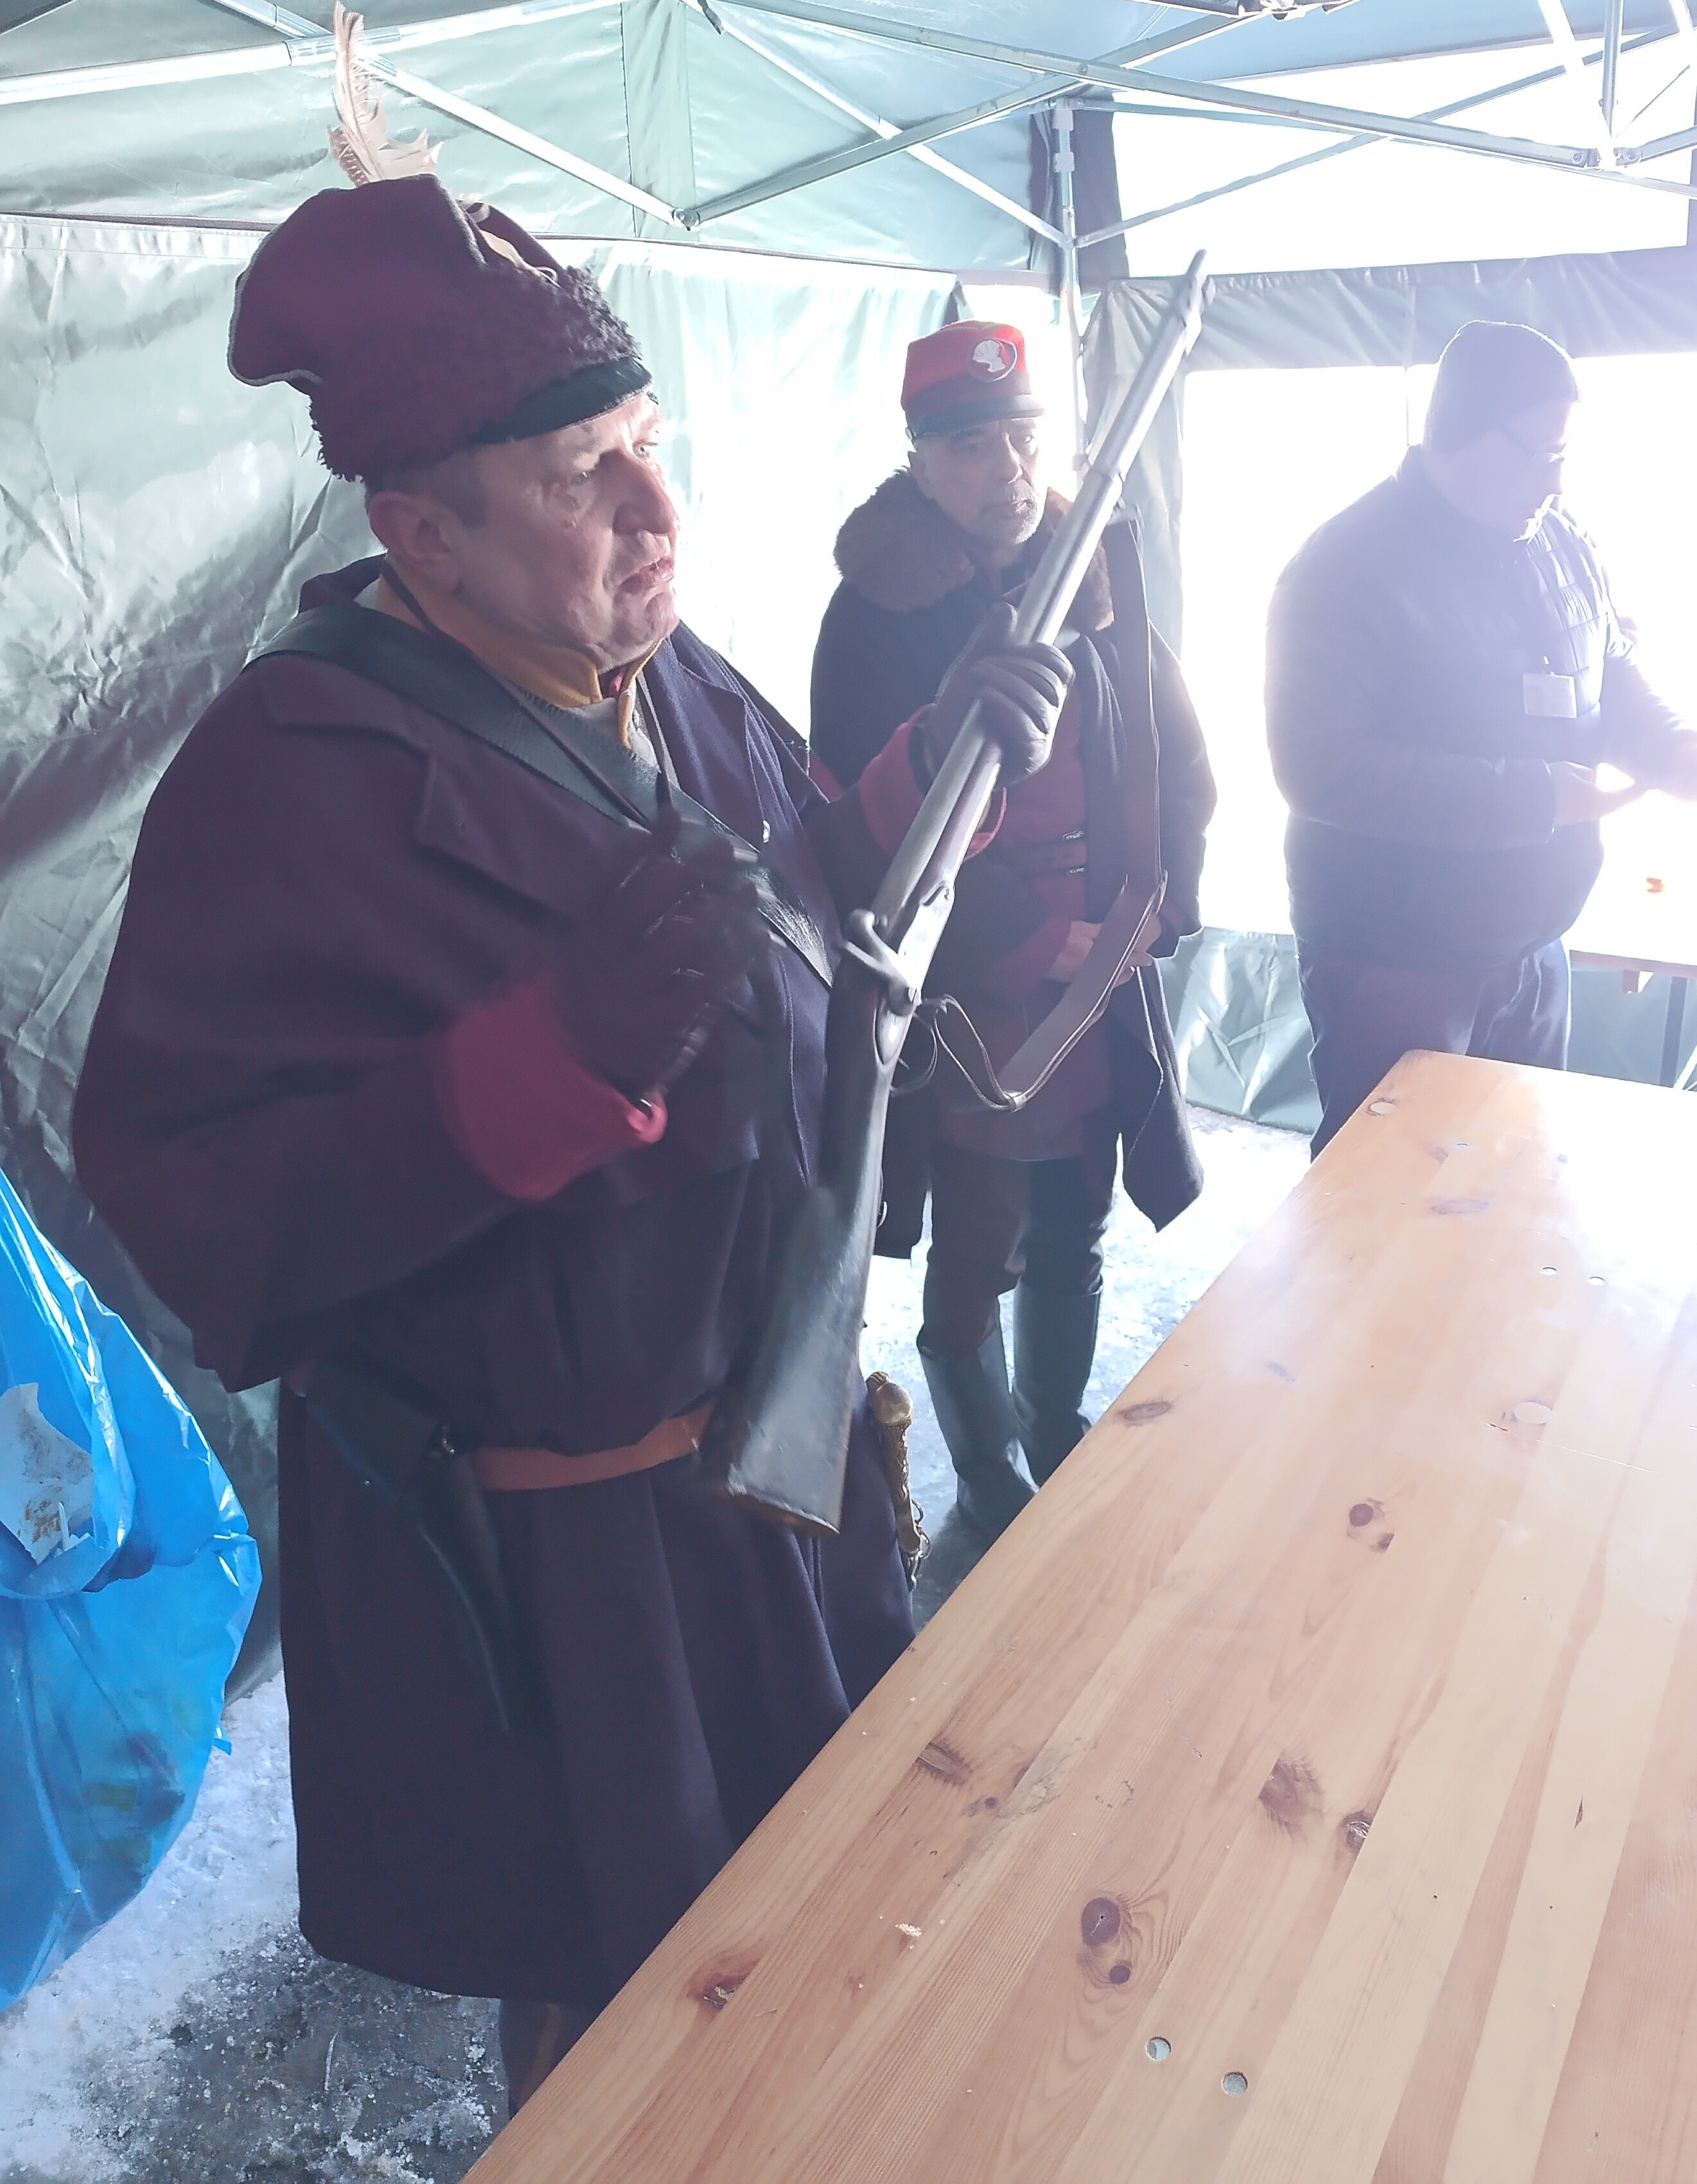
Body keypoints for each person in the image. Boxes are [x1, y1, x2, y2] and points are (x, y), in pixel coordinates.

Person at [71, 174, 1071, 2113]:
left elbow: (792, 903)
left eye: (646, 445)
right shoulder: (289, 773)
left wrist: (922, 770)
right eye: (576, 476)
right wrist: (540, 1066)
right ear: (421, 531)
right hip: (565, 1550)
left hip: (769, 1468)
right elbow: (196, 1212)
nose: (653, 510)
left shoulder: (663, 674)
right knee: (621, 2015)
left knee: (804, 1930)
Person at [809, 320, 1214, 1542]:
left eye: (1025, 437)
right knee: (979, 1248)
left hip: (1107, 947)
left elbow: (1175, 759)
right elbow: (860, 816)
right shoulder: (873, 615)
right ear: (922, 463)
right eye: (974, 446)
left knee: (1076, 1223)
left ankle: (1057, 1434)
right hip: (975, 979)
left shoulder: (1095, 574)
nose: (1011, 470)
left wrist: (1154, 907)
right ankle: (991, 1480)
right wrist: (1027, 941)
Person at [1265, 320, 1697, 1151]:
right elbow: (1319, 766)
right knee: (1386, 1195)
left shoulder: (1561, 537)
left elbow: (1607, 666)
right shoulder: (1345, 565)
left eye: (1565, 454)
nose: (1558, 478)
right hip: (1397, 955)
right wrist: (1536, 798)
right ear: (1464, 432)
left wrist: (1671, 744)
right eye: (1543, 454)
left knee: (1513, 1181)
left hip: (1535, 942)